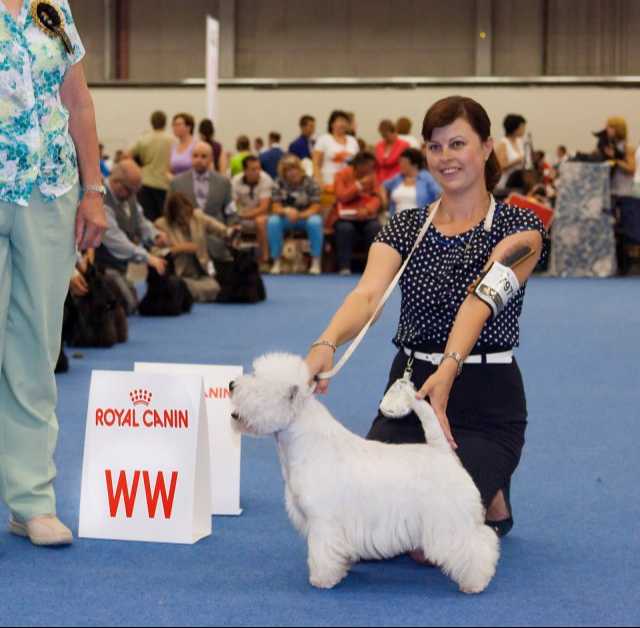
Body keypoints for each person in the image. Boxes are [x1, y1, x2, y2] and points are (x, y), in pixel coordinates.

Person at [305, 96, 547, 550]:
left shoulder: (521, 228)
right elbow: (367, 295)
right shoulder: (405, 226)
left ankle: (491, 486)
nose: (445, 157)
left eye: (458, 144)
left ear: (487, 147)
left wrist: (449, 368)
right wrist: (326, 342)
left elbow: (480, 299)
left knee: (425, 543)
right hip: (411, 391)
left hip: (485, 398)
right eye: (435, 147)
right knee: (370, 529)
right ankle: (480, 489)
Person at [0, 0, 107, 546]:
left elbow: (78, 101)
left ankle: (32, 501)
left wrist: (93, 189)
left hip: (50, 192)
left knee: (36, 351)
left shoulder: (53, 7)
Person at [94, 160, 168, 313]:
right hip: (100, 267)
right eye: (130, 191)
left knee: (131, 303)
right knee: (127, 305)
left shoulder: (129, 196)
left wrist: (155, 235)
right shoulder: (100, 199)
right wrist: (147, 257)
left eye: (136, 191)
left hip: (119, 267)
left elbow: (140, 221)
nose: (133, 196)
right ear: (116, 182)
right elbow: (116, 240)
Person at [155, 193, 237, 302]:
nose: (186, 219)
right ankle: (185, 293)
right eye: (181, 217)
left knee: (215, 287)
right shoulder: (161, 224)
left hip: (202, 273)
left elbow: (222, 230)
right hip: (179, 275)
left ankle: (186, 295)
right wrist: (180, 248)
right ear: (172, 215)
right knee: (179, 285)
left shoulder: (198, 216)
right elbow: (156, 254)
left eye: (188, 214)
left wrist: (231, 232)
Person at [168, 141, 237, 262]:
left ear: (211, 159)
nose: (199, 160)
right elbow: (169, 213)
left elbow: (230, 211)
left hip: (217, 243)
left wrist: (232, 230)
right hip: (187, 244)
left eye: (203, 156)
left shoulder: (223, 183)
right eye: (195, 156)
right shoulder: (176, 183)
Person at [268, 154, 323, 275]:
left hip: (306, 217)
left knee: (315, 222)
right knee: (273, 222)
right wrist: (286, 211)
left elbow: (316, 207)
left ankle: (316, 261)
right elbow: (275, 207)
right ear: (283, 173)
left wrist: (300, 215)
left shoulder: (311, 182)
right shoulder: (278, 183)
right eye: (288, 170)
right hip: (285, 217)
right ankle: (276, 261)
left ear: (300, 169)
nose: (292, 172)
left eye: (295, 168)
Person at [331, 152, 383, 275]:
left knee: (374, 227)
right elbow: (341, 196)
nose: (371, 169)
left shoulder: (372, 176)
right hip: (345, 217)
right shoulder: (342, 175)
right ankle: (344, 267)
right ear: (359, 165)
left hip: (366, 216)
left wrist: (368, 209)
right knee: (345, 228)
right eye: (369, 166)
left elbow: (377, 198)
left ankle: (372, 268)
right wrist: (358, 185)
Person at [128, 110, 173, 221]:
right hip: (164, 183)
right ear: (165, 122)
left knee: (147, 219)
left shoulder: (143, 139)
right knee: (165, 219)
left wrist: (138, 168)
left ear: (151, 122)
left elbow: (126, 155)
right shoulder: (172, 140)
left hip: (145, 182)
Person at [232, 155, 274, 268]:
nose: (257, 172)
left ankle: (265, 259)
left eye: (259, 168)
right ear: (245, 170)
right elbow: (232, 203)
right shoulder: (235, 181)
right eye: (253, 169)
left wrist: (243, 215)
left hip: (262, 215)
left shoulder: (266, 179)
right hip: (242, 214)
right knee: (231, 223)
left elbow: (264, 207)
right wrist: (237, 215)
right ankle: (233, 260)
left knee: (260, 221)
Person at [382, 148, 441, 214]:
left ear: (415, 165)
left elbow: (440, 194)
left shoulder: (427, 178)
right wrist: (385, 202)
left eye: (404, 163)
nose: (400, 165)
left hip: (419, 218)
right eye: (400, 162)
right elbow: (383, 186)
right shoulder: (398, 177)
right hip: (396, 217)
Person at [313, 110, 360, 190]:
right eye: (340, 121)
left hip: (348, 184)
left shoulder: (353, 140)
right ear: (332, 124)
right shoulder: (323, 139)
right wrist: (320, 182)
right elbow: (316, 164)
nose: (343, 124)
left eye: (345, 121)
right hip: (328, 182)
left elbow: (358, 163)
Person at [496, 114, 527, 189]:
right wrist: (517, 160)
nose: (524, 130)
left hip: (519, 181)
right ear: (515, 128)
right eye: (522, 127)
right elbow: (501, 166)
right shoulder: (503, 143)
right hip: (506, 183)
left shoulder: (520, 142)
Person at [375, 119, 410, 184]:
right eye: (383, 135)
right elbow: (379, 163)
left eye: (386, 135)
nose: (385, 138)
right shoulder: (379, 145)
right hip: (380, 180)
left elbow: (391, 160)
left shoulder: (404, 145)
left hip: (397, 180)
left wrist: (384, 160)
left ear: (394, 132)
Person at [170, 112, 197, 176]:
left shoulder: (197, 146)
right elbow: (169, 170)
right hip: (176, 181)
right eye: (174, 125)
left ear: (188, 127)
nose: (175, 127)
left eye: (178, 125)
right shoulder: (173, 146)